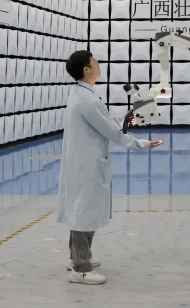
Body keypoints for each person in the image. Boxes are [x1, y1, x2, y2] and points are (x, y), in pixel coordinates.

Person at [57, 50, 164, 285]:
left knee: (84, 209)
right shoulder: (88, 100)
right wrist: (142, 144)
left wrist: (128, 119)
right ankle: (80, 269)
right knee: (83, 212)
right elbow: (113, 132)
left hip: (85, 161)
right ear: (86, 69)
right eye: (94, 61)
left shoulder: (82, 93)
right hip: (87, 164)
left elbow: (108, 122)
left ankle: (78, 257)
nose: (98, 64)